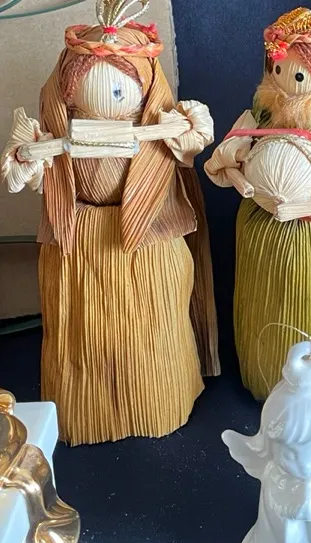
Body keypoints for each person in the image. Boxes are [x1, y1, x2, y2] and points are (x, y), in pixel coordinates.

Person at [0, 4, 219, 445]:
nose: (103, 112)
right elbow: (25, 176)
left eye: (119, 94)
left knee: (153, 332)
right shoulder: (56, 133)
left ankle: (159, 398)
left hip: (147, 239)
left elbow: (194, 143)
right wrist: (28, 156)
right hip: (78, 241)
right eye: (84, 95)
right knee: (83, 340)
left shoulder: (161, 126)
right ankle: (86, 409)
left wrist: (182, 128)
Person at [206, 7, 311, 399]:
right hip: (259, 236)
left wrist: (301, 209)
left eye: (298, 76)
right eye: (277, 71)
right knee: (263, 308)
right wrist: (240, 179)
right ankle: (262, 375)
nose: (283, 85)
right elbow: (221, 161)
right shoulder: (256, 125)